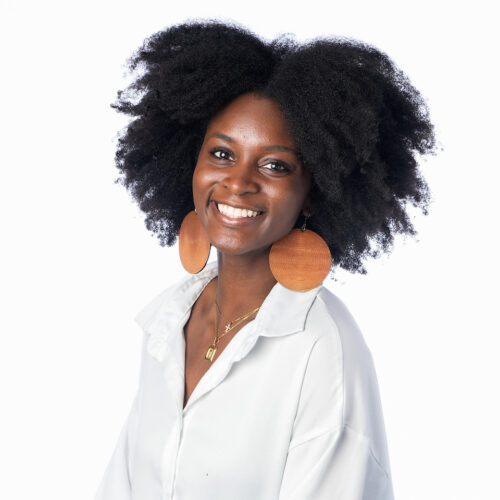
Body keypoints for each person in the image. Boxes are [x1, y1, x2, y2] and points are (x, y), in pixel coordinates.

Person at [95, 20, 435, 500]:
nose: (238, 183)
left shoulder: (323, 350)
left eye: (275, 165)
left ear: (313, 193)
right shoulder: (169, 320)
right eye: (220, 153)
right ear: (188, 164)